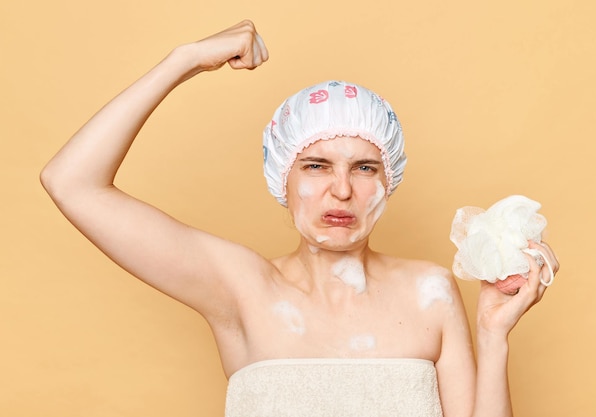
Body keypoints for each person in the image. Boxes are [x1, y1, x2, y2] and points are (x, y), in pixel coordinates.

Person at [40, 20, 559, 417]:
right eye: (316, 165)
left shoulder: (430, 291)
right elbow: (71, 181)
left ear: (388, 180)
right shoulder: (240, 287)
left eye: (363, 167)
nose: (341, 189)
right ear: (282, 179)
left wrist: (493, 336)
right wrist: (185, 60)